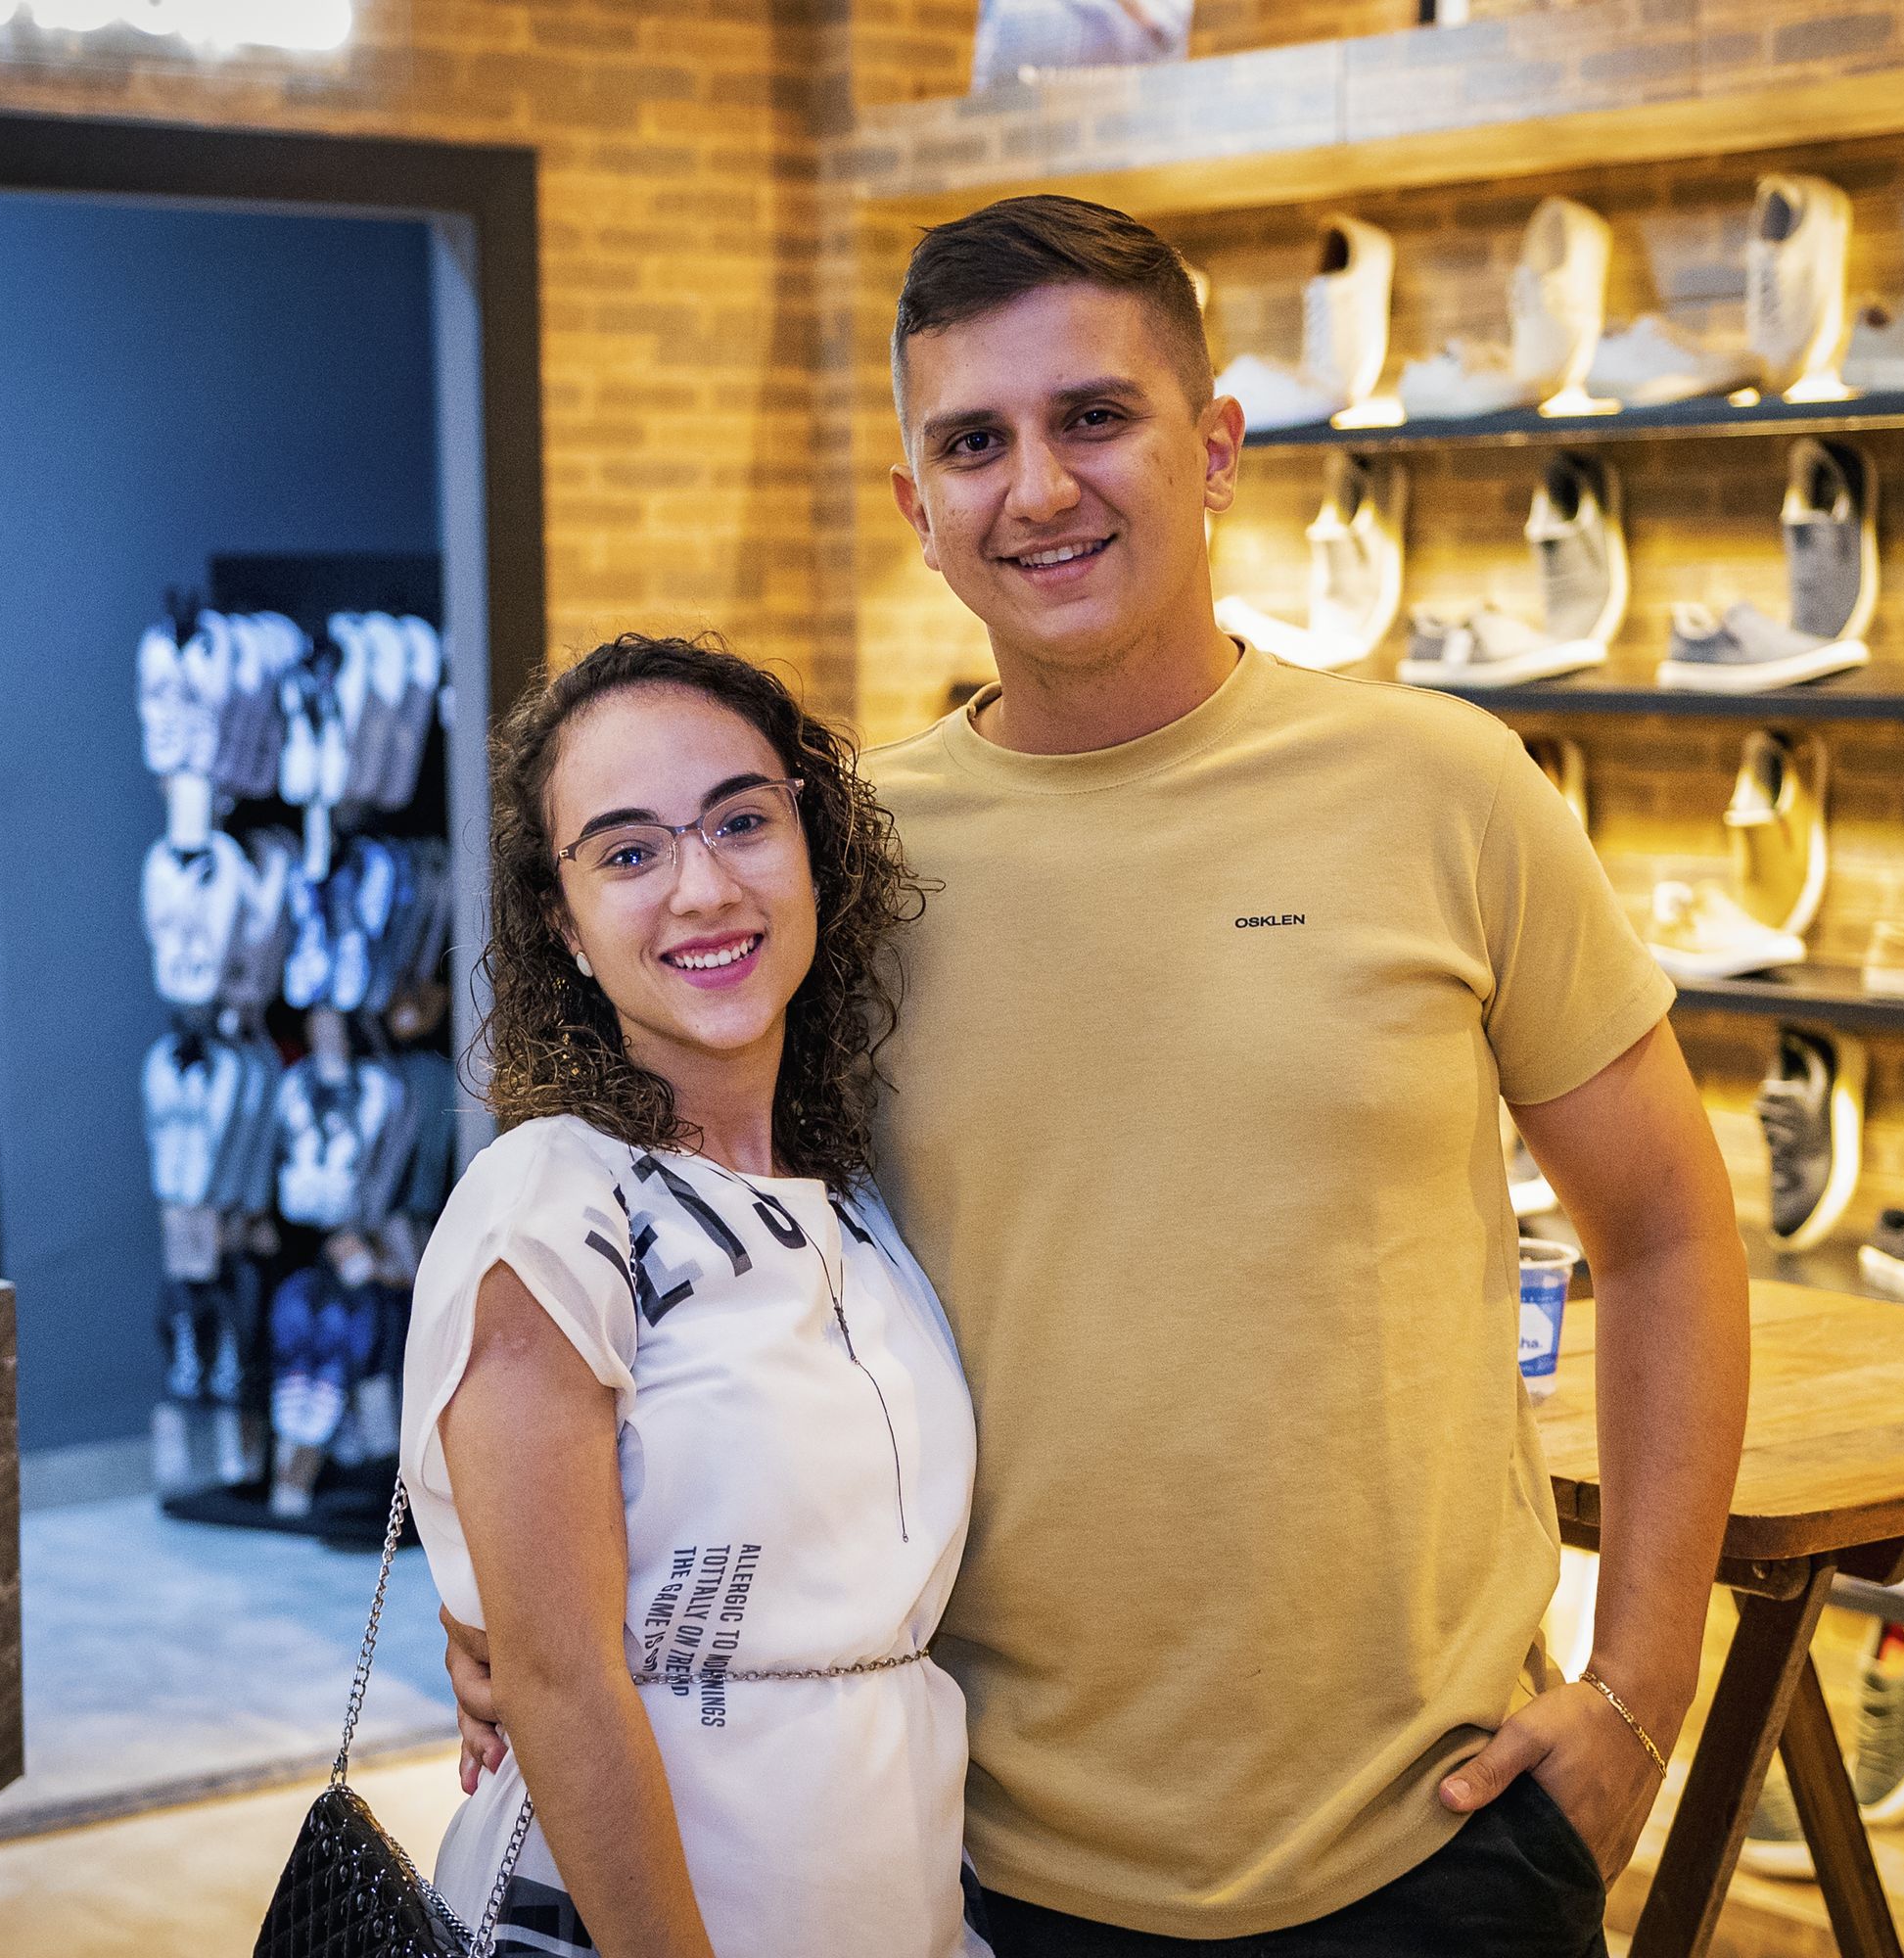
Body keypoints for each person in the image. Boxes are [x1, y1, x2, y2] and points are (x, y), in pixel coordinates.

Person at [450, 195, 1753, 1956]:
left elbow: (1666, 1230)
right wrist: (516, 1595)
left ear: (1215, 448)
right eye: (973, 443)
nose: (1038, 488)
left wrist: (1644, 1687)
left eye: (1094, 417)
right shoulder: (839, 871)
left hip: (1433, 1843)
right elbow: (677, 1279)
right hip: (983, 1872)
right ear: (917, 508)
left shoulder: (1448, 790)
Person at [399, 633, 985, 1955]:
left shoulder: (853, 1198)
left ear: (812, 848)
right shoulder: (548, 1206)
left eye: (741, 821)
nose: (703, 888)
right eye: (627, 853)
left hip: (885, 1884)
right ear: (563, 925)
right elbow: (559, 1683)